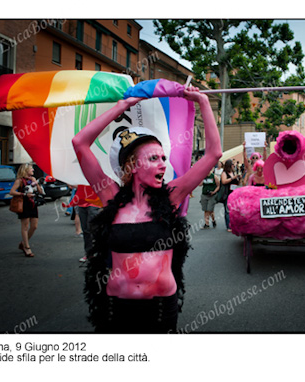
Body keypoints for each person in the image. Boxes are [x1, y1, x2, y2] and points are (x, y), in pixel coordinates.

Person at [72, 85, 222, 333]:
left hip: (161, 307)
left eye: (163, 158)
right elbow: (80, 143)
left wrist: (203, 102)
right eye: (154, 158)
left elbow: (213, 153)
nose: (163, 164)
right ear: (132, 166)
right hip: (115, 307)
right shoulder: (110, 196)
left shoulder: (172, 196)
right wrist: (124, 105)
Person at [9, 163, 44, 257]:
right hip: (24, 204)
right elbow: (11, 192)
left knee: (34, 226)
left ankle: (23, 243)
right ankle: (27, 247)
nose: (33, 170)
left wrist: (36, 183)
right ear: (25, 170)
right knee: (25, 226)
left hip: (33, 204)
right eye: (31, 168)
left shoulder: (32, 179)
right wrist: (24, 194)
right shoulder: (19, 181)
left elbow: (40, 192)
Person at [221, 159, 241, 232]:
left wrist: (238, 179)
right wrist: (232, 178)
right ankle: (228, 226)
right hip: (227, 193)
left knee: (234, 210)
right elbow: (224, 181)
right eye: (232, 165)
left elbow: (236, 183)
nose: (233, 166)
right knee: (227, 210)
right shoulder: (224, 173)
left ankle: (233, 224)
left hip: (233, 193)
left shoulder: (233, 172)